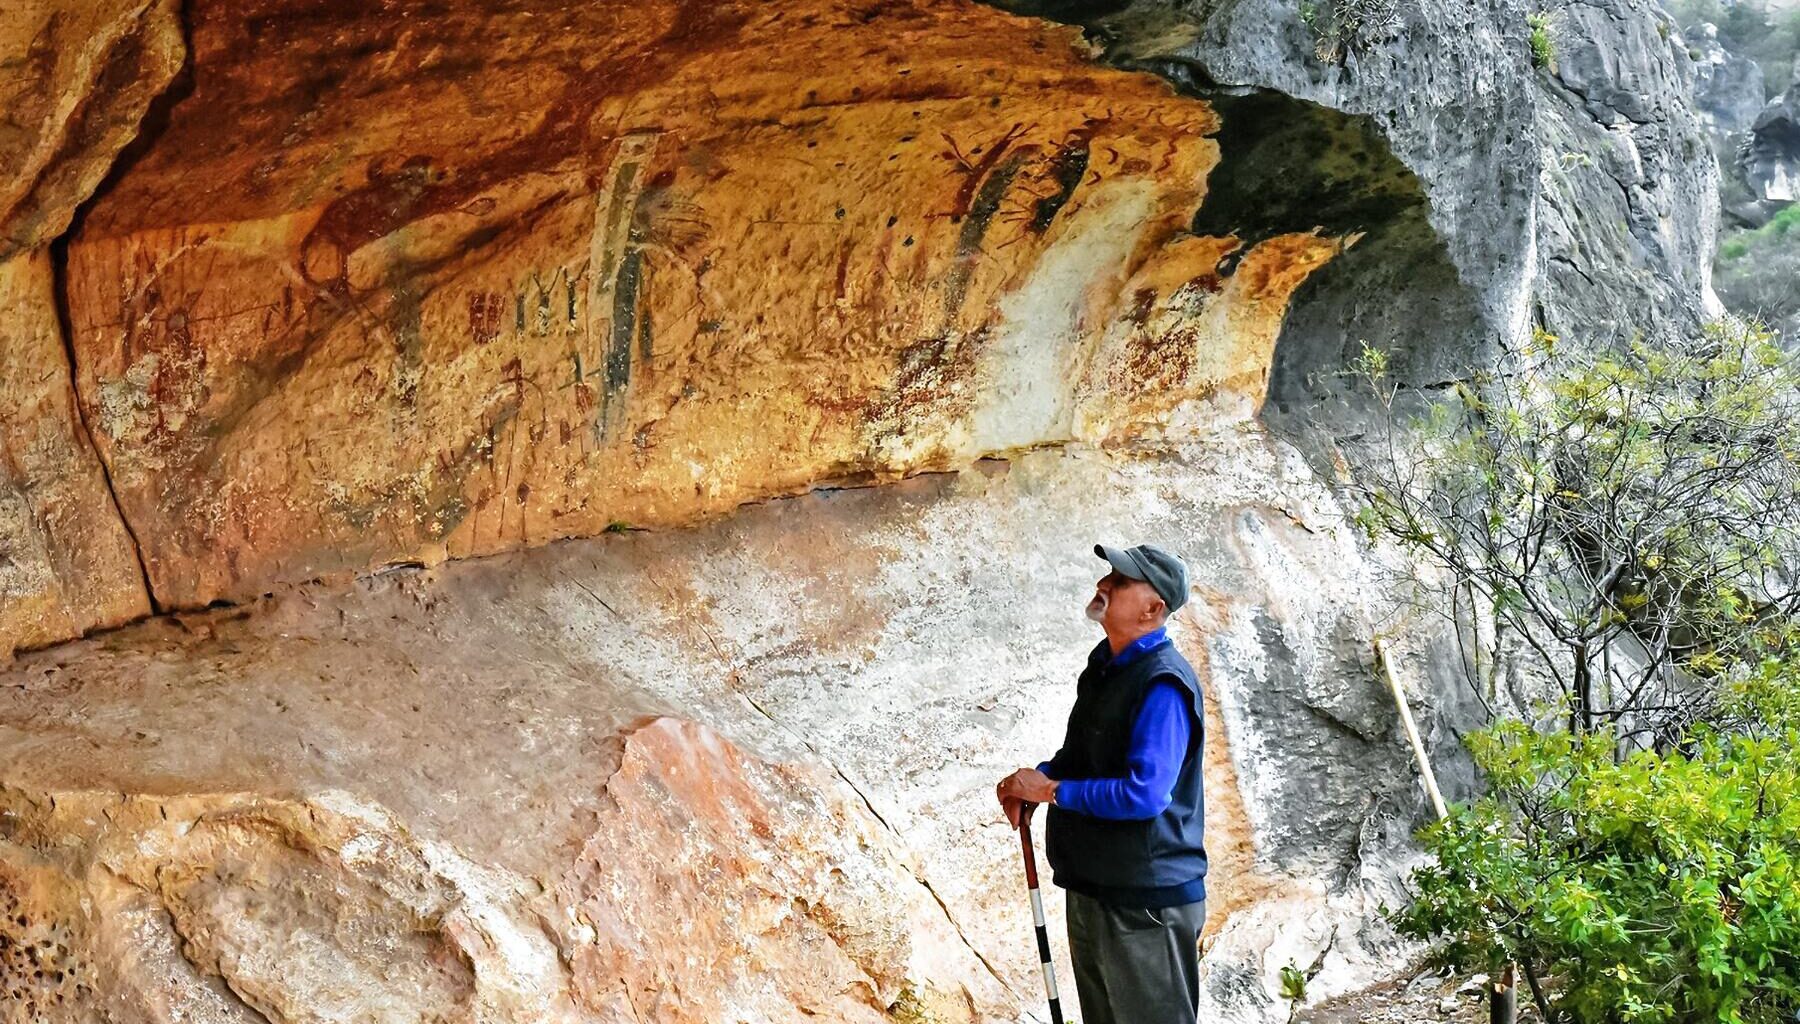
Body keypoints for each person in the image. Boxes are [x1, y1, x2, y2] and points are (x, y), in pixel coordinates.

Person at [996, 543, 1208, 1024]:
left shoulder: (1163, 684)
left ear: (1153, 608)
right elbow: (1081, 758)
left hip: (1145, 902)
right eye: (1109, 573)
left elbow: (1145, 794)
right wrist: (1033, 781)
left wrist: (1050, 793)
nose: (1104, 584)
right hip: (1095, 887)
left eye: (1121, 580)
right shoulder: (1106, 668)